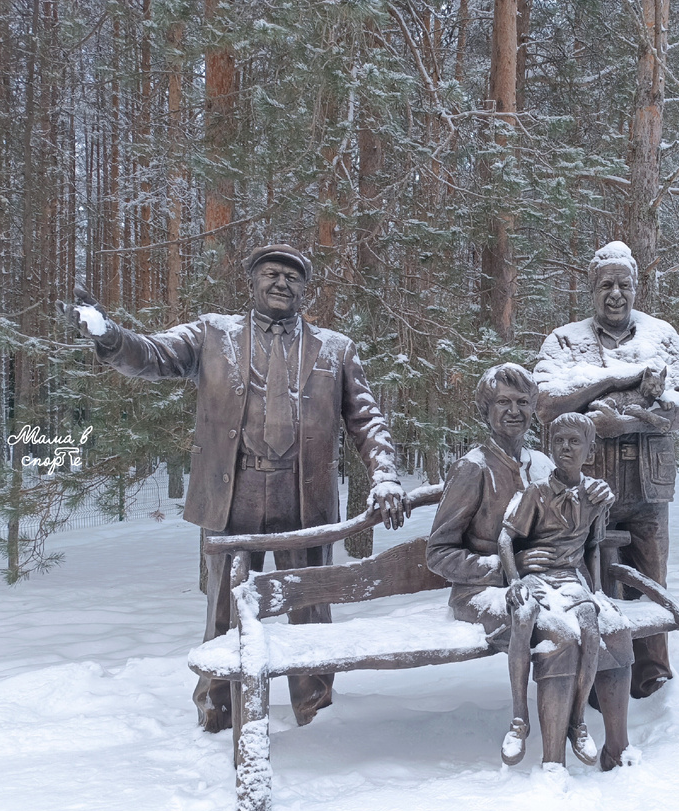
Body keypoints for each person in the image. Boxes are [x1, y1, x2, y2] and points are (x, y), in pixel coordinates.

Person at [62, 244, 408, 731]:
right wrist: (109, 335)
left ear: (305, 290)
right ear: (252, 281)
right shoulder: (211, 334)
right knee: (225, 607)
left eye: (293, 277)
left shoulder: (336, 348)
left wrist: (386, 472)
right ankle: (217, 711)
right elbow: (153, 354)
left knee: (309, 607)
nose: (282, 283)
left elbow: (367, 419)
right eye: (272, 273)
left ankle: (315, 710)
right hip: (232, 493)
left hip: (303, 496)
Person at [426, 364, 632, 768]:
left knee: (616, 629)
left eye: (523, 402)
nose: (514, 411)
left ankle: (618, 751)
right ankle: (553, 764)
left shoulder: (544, 461)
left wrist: (596, 493)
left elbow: (575, 507)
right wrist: (505, 568)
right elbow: (438, 554)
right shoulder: (474, 468)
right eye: (503, 402)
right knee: (558, 637)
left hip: (557, 584)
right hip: (485, 591)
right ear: (486, 409)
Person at [534, 240, 679, 700]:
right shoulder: (565, 340)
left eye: (624, 285)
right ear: (592, 288)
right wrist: (617, 379)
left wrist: (621, 420)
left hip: (649, 485)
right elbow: (545, 402)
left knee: (651, 577)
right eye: (606, 284)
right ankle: (595, 668)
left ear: (636, 288)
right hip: (586, 483)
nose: (615, 294)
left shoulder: (662, 336)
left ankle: (653, 670)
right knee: (587, 576)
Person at [498, 412, 633, 770]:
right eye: (559, 442)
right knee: (524, 616)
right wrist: (514, 579)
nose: (565, 449)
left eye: (574, 442)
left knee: (590, 628)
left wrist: (598, 590)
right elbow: (505, 538)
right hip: (536, 576)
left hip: (573, 580)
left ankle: (579, 722)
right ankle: (518, 720)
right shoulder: (537, 492)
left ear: (589, 450)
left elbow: (592, 546)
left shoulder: (594, 495)